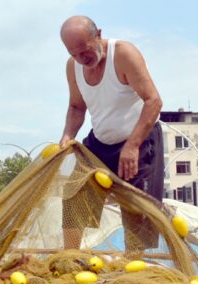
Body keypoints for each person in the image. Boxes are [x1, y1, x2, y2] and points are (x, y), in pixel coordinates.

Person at [59, 16, 164, 252]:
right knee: (74, 194)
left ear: (98, 35)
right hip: (100, 142)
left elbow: (153, 101)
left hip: (140, 139)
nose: (81, 59)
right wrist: (67, 135)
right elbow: (77, 107)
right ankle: (71, 258)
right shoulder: (72, 66)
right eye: (73, 54)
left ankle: (135, 264)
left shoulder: (124, 54)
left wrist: (132, 146)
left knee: (137, 210)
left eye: (84, 51)